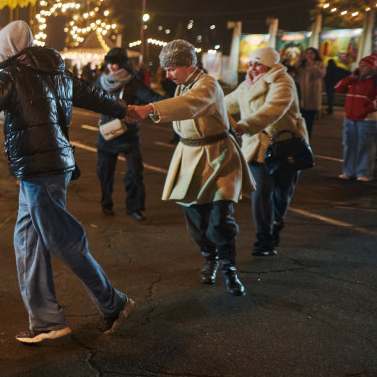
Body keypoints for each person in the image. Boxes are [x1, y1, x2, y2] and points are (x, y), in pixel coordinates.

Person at [0, 20, 135, 343]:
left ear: (6, 48)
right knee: (27, 239)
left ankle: (113, 303)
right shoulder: (56, 70)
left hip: (40, 166)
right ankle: (46, 320)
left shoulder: (12, 75)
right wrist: (122, 109)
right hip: (47, 165)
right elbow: (92, 95)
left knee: (63, 240)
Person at [129, 40, 253, 296]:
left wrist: (150, 108)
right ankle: (210, 258)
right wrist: (231, 121)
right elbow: (214, 106)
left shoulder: (206, 84)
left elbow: (193, 104)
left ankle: (230, 271)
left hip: (217, 157)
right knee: (195, 219)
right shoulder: (186, 84)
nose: (168, 74)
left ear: (189, 65)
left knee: (220, 220)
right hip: (189, 156)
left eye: (172, 68)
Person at [224, 46, 308, 256]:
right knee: (261, 194)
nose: (252, 68)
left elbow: (274, 109)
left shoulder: (283, 82)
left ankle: (276, 223)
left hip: (284, 147)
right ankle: (264, 238)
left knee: (283, 193)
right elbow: (225, 104)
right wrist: (206, 109)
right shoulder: (246, 85)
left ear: (270, 65)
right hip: (256, 148)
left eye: (258, 63)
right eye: (250, 63)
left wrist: (245, 125)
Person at [95, 47, 164, 222]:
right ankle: (106, 203)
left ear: (123, 63)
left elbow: (150, 97)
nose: (111, 67)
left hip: (129, 136)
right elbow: (88, 98)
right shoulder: (101, 81)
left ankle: (135, 208)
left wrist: (171, 104)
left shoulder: (133, 82)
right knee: (105, 174)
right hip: (107, 135)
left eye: (115, 63)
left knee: (135, 173)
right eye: (109, 63)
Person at [334, 53, 377, 181]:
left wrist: (367, 109)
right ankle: (348, 171)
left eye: (364, 66)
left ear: (372, 67)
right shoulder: (355, 80)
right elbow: (338, 88)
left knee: (365, 145)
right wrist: (351, 78)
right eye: (360, 65)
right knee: (349, 145)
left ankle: (363, 173)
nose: (361, 68)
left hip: (367, 119)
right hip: (350, 118)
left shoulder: (376, 80)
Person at [295, 47, 325, 138]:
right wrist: (298, 62)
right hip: (300, 98)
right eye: (307, 53)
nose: (309, 55)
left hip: (311, 98)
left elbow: (320, 74)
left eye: (311, 53)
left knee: (308, 124)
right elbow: (293, 74)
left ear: (315, 54)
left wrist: (311, 64)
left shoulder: (319, 65)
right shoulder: (301, 65)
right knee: (297, 124)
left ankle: (306, 143)